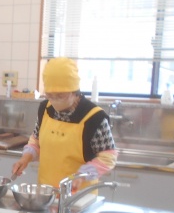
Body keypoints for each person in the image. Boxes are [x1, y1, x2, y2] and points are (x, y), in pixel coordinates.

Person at [12, 57, 117, 188]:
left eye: (61, 96)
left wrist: (81, 176)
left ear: (74, 91)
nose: (55, 100)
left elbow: (108, 157)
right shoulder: (45, 109)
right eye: (50, 95)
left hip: (78, 194)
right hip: (46, 192)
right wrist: (26, 158)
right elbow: (36, 140)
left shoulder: (94, 118)